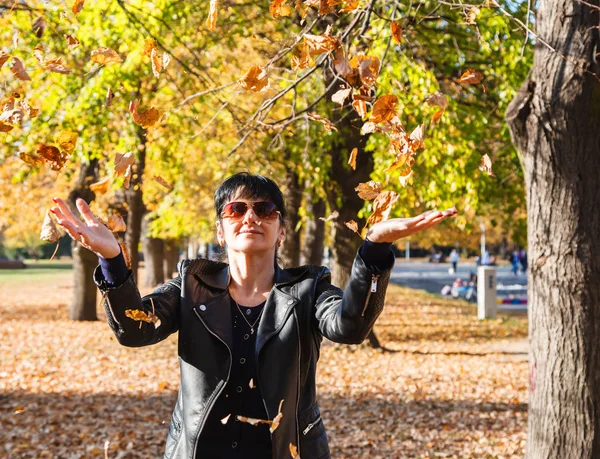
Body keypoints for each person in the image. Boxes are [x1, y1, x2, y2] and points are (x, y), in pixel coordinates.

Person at [50, 173, 456, 459]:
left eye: (265, 209)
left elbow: (349, 326)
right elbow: (135, 329)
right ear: (221, 230)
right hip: (199, 451)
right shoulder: (191, 284)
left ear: (281, 230)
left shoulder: (308, 288)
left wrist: (374, 249)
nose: (251, 217)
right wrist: (112, 260)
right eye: (237, 208)